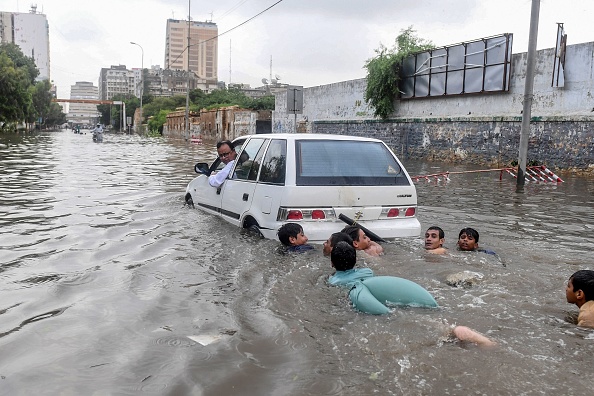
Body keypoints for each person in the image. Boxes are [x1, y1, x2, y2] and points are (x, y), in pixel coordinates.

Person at [329, 241, 496, 346]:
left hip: (367, 302)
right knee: (421, 318)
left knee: (400, 317)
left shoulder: (334, 281)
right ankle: (452, 329)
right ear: (355, 260)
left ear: (332, 263)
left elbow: (338, 283)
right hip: (385, 293)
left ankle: (452, 331)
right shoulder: (367, 272)